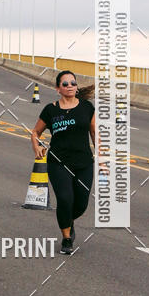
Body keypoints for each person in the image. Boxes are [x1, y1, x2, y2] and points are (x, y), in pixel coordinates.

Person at [30, 70, 97, 254]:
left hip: (84, 163)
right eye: (65, 84)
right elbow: (35, 132)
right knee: (65, 199)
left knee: (81, 204)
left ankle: (68, 220)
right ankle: (67, 238)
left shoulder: (87, 107)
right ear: (58, 88)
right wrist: (36, 146)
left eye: (73, 83)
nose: (70, 86)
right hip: (58, 163)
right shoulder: (50, 110)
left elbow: (94, 132)